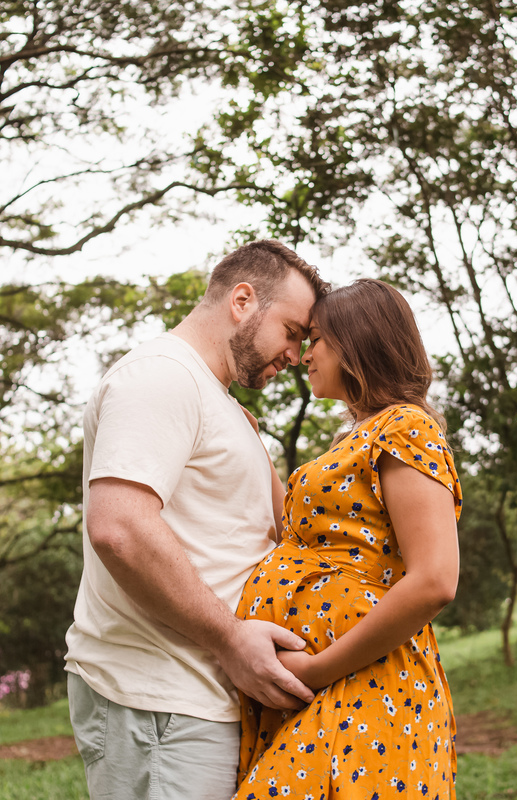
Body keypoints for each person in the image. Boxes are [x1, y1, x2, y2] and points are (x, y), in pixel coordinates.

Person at [64, 240, 330, 800]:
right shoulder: (162, 376)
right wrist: (232, 639)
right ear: (242, 300)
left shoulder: (220, 403)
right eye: (291, 331)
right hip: (162, 704)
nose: (295, 356)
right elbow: (120, 527)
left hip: (202, 701)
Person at [233, 278, 462, 800]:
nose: (303, 355)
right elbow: (299, 538)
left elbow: (435, 580)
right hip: (330, 689)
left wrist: (314, 668)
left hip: (364, 687)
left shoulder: (404, 428)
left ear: (358, 343)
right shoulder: (355, 438)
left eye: (315, 339)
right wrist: (252, 447)